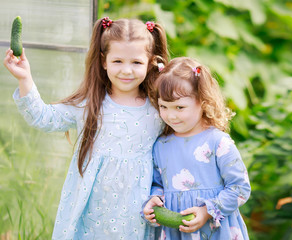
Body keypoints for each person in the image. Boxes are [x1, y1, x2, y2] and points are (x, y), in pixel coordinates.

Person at [3, 17, 168, 239]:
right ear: (103, 61)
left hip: (135, 215)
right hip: (90, 214)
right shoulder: (90, 105)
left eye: (136, 63)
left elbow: (177, 147)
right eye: (118, 61)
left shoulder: (159, 110)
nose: (127, 70)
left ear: (150, 63)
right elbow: (43, 117)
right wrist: (25, 78)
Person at [142, 57, 251, 240]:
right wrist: (155, 200)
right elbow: (158, 183)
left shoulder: (218, 142)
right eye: (164, 106)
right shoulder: (161, 145)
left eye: (179, 107)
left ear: (202, 101)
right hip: (176, 232)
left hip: (217, 232)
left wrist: (207, 211)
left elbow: (240, 188)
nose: (171, 115)